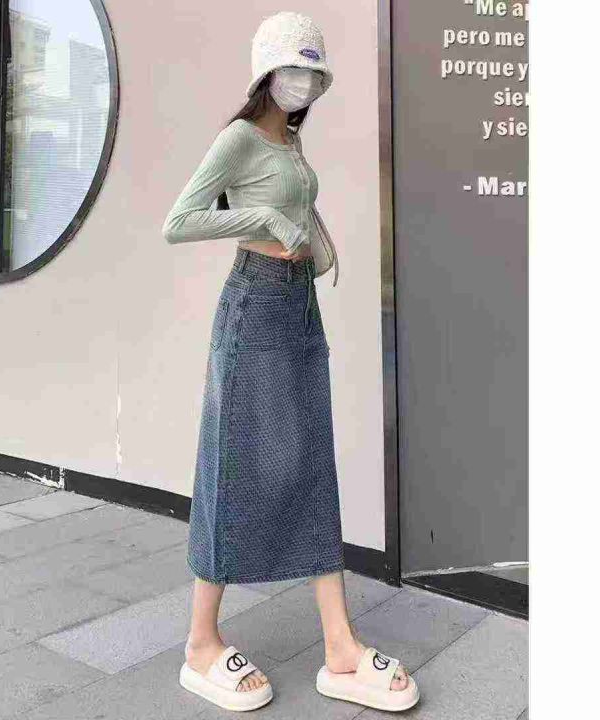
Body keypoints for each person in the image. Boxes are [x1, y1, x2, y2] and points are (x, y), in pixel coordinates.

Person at [162, 11, 419, 714]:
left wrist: (314, 238)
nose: (304, 82)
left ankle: (340, 648)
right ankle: (200, 644)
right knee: (235, 464)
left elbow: (297, 209)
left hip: (297, 308)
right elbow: (178, 222)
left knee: (310, 465)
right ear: (267, 74)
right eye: (293, 70)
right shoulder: (240, 139)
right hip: (253, 307)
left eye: (313, 72)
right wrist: (265, 220)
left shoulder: (290, 141)